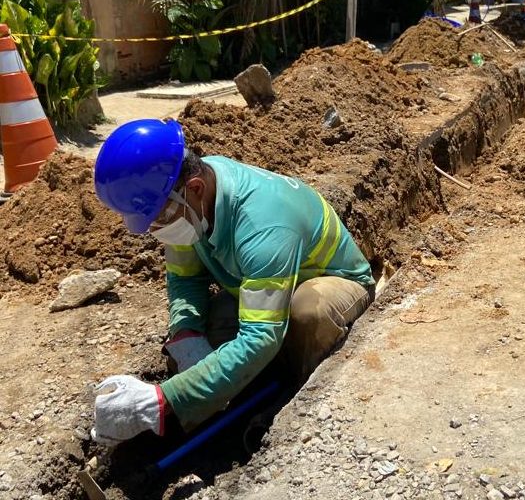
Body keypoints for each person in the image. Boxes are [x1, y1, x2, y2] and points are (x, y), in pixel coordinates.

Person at [90, 118, 375, 445]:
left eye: (157, 218)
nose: (155, 229)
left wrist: (163, 400)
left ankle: (293, 395)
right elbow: (185, 280)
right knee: (212, 328)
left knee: (307, 312)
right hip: (263, 286)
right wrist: (186, 335)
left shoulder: (262, 224)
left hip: (334, 283)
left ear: (194, 188)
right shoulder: (187, 199)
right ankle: (255, 379)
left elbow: (260, 338)